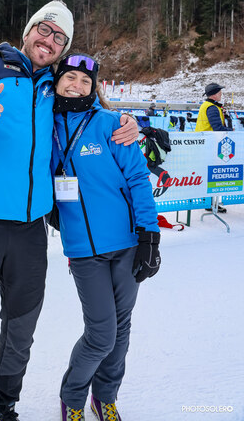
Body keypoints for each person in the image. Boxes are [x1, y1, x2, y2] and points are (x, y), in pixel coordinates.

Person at [0, 0, 139, 421]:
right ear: (28, 30)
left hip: (31, 229)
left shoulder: (55, 86)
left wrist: (131, 124)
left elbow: (91, 111)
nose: (49, 40)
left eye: (60, 37)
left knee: (21, 331)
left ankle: (3, 405)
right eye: (44, 29)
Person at [51, 53, 160, 421]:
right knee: (101, 333)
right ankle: (72, 398)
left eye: (86, 81)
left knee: (121, 327)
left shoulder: (111, 124)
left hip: (127, 245)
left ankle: (105, 396)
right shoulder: (44, 127)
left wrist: (150, 236)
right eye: (70, 77)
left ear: (94, 88)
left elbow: (138, 180)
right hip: (83, 250)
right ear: (57, 81)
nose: (77, 85)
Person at [196, 82, 231, 213]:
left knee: (209, 174)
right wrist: (231, 131)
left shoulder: (208, 106)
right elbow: (217, 128)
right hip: (209, 145)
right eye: (219, 92)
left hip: (205, 144)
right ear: (214, 94)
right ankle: (209, 203)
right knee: (211, 175)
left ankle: (209, 202)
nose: (221, 94)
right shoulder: (211, 108)